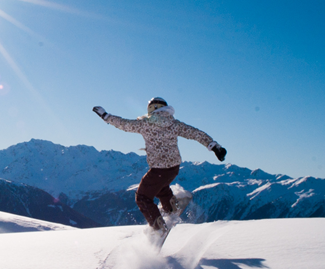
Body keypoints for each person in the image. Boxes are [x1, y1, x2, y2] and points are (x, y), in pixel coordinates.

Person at [93, 97, 226, 233]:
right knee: (160, 187)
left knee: (142, 197)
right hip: (173, 168)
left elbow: (124, 124)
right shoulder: (174, 124)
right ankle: (171, 206)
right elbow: (195, 133)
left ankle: (158, 228)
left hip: (159, 170)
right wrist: (214, 146)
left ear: (152, 108)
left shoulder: (145, 123)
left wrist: (106, 116)